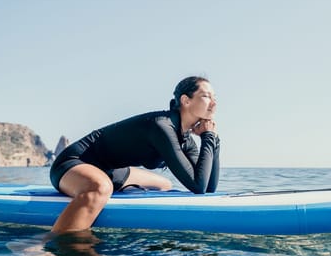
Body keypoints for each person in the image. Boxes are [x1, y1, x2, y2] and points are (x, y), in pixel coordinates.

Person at [49, 76, 220, 234]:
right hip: (74, 163)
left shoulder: (185, 138)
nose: (214, 102)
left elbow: (206, 187)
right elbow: (197, 185)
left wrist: (213, 141)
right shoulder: (161, 126)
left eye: (214, 97)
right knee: (101, 188)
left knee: (163, 185)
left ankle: (123, 209)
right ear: (186, 100)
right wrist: (208, 137)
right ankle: (48, 244)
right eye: (206, 96)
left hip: (111, 170)